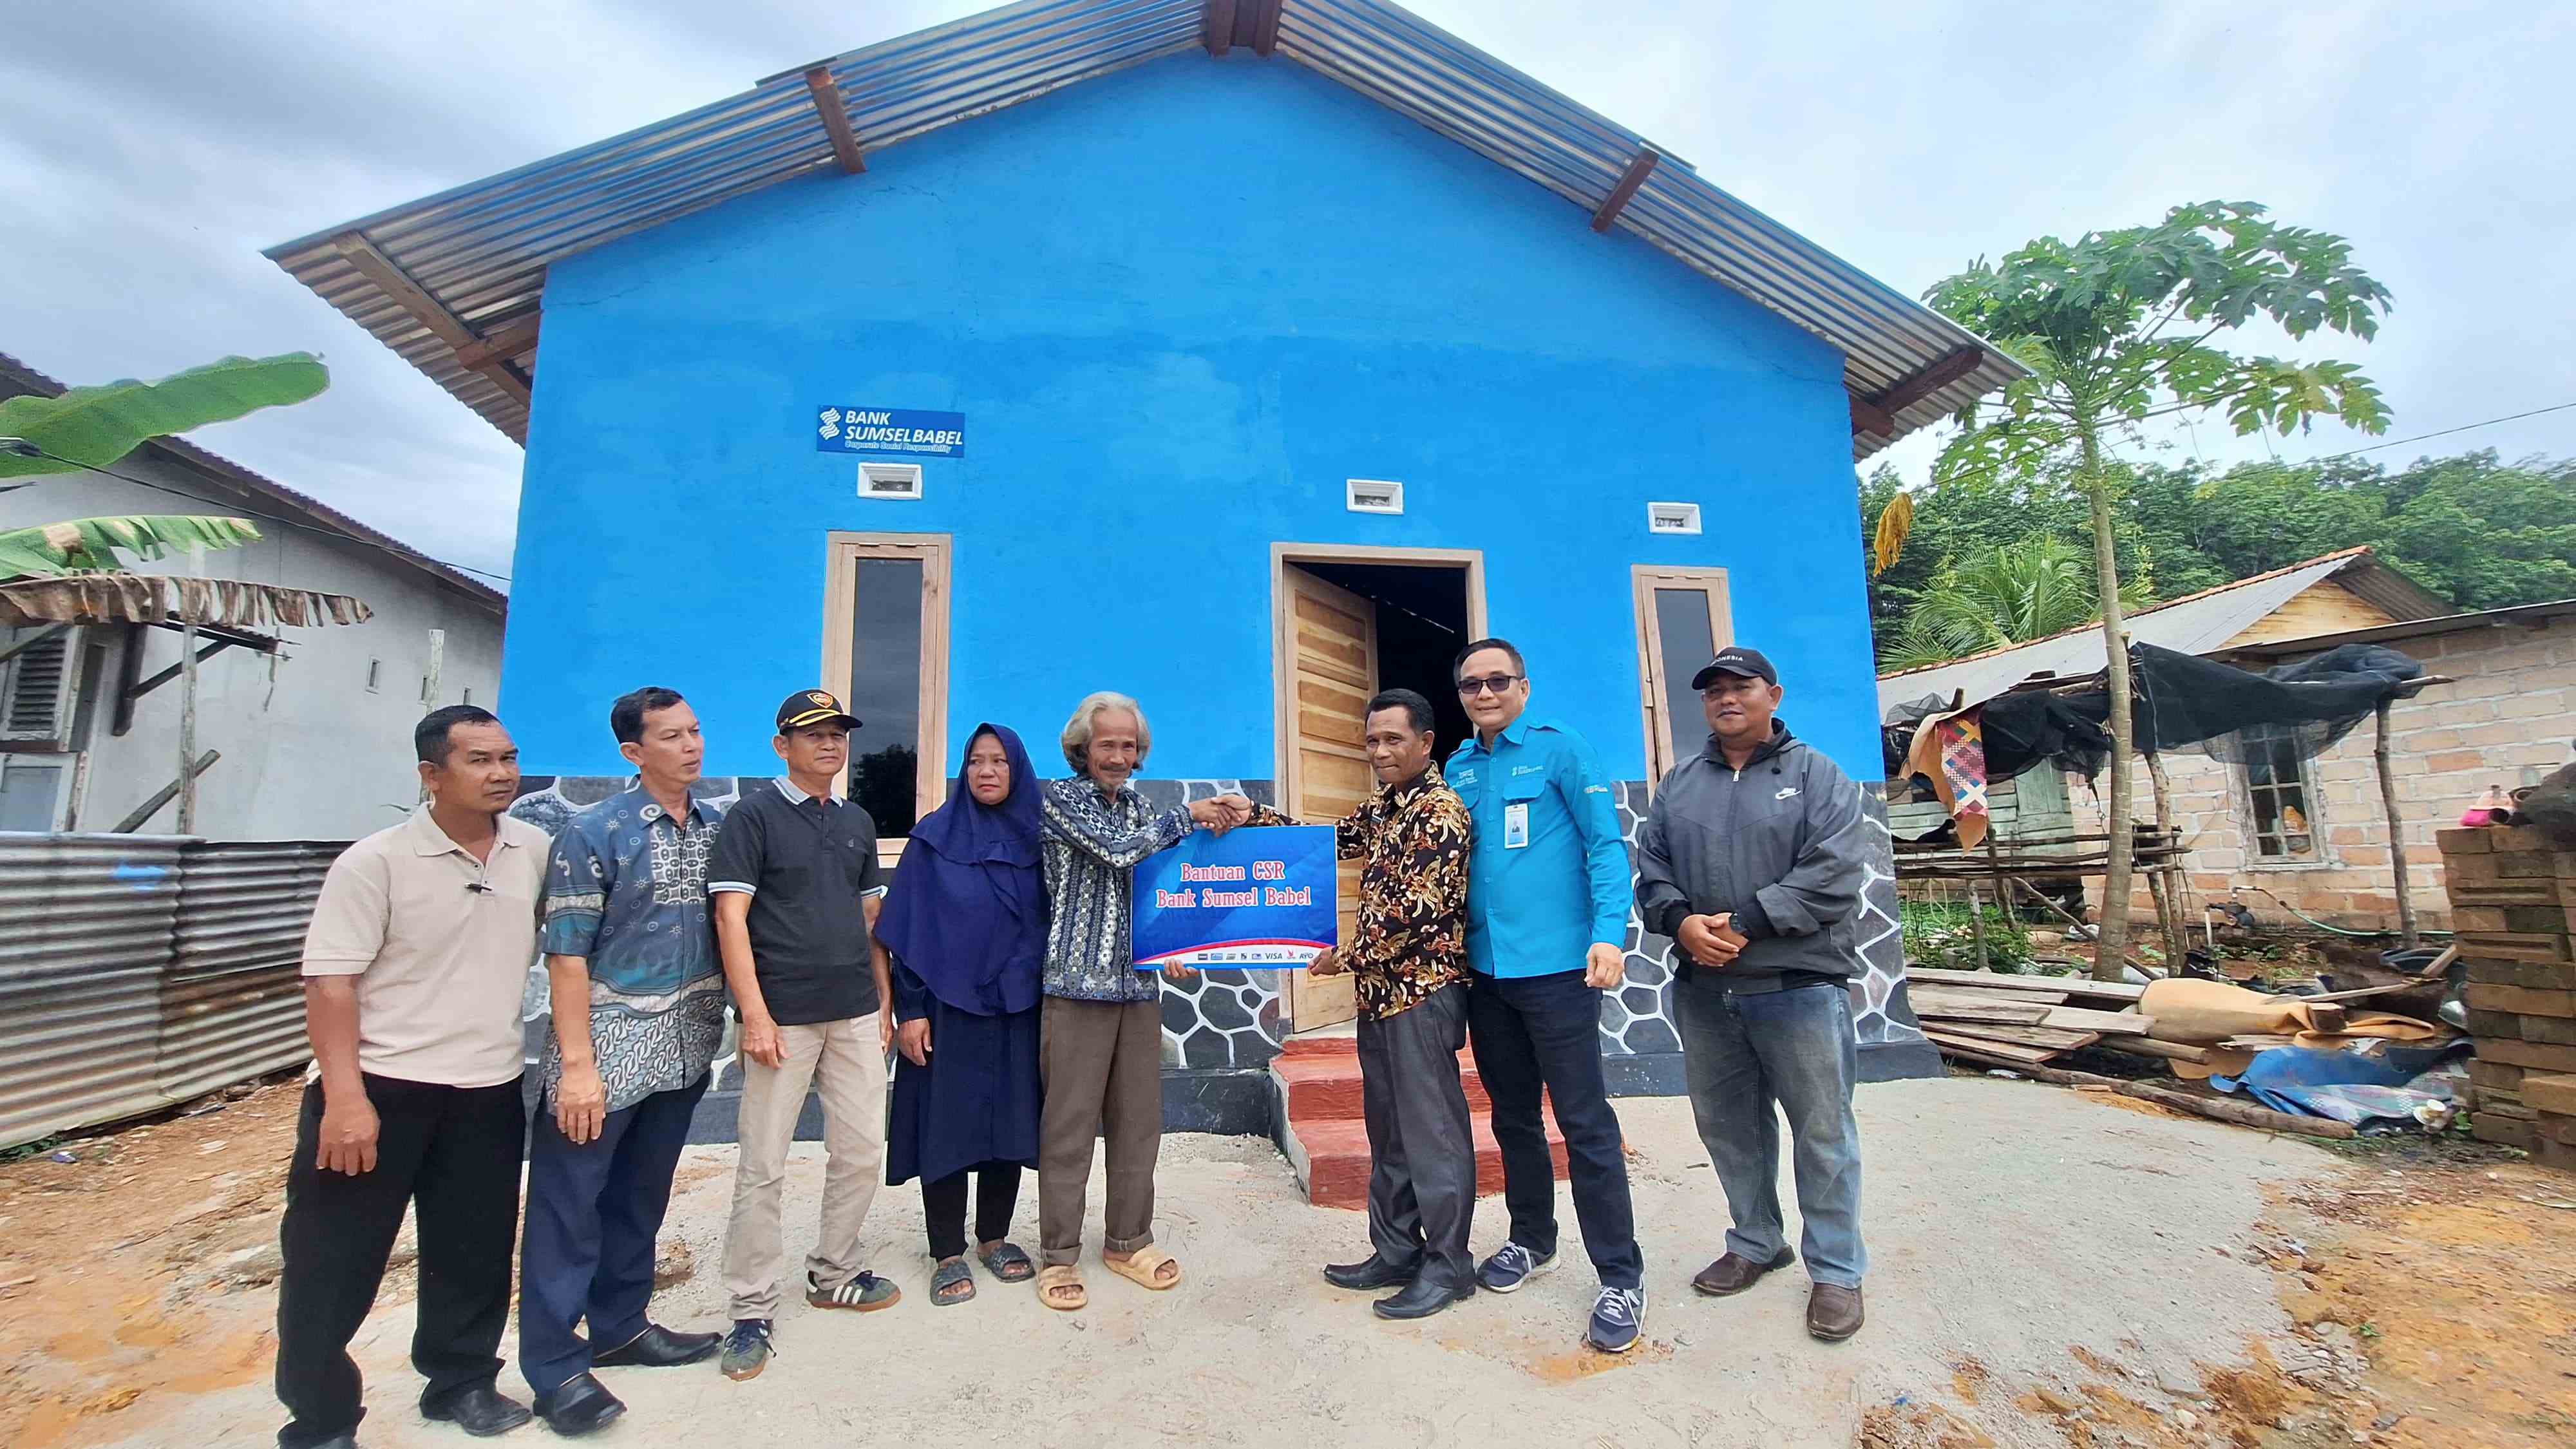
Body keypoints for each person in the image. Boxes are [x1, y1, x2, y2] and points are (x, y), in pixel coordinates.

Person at [274, 706, 550, 1449]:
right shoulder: (376, 862)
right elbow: (331, 984)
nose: (501, 774)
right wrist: (344, 1100)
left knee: (475, 1250)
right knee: (331, 1262)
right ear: (432, 775)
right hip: (381, 1088)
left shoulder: (535, 850)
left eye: (509, 758)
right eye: (480, 761)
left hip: (487, 1089)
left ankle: (460, 1381)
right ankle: (321, 1418)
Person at [1634, 646, 1871, 1343]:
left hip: (1797, 986)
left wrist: (1741, 924)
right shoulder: (1679, 785)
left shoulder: (1816, 775)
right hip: (1706, 992)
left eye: (1740, 687)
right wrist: (1679, 921)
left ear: (1773, 695)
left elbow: (1833, 872)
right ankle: (1756, 1242)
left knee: (1822, 1133)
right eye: (1713, 691)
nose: (1725, 699)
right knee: (1729, 1130)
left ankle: (1835, 1271)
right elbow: (1651, 872)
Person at [520, 687, 729, 1434]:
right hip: (604, 1052)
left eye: (696, 731)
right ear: (633, 754)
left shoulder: (716, 829)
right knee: (567, 1208)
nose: (692, 746)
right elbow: (566, 956)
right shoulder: (592, 832)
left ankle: (622, 1326)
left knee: (640, 1196)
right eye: (672, 737)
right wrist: (576, 1067)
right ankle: (553, 1367)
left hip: (684, 1045)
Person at [1444, 638, 1647, 1354]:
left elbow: (1603, 845)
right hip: (1488, 973)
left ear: (1523, 688)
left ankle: (1621, 1276)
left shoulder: (1563, 751)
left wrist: (1607, 933)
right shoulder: (1458, 768)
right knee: (1512, 1119)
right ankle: (1532, 1239)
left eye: (1498, 681)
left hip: (1560, 970)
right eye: (1471, 685)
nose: (1485, 693)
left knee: (1585, 1124)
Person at [706, 690, 902, 1382]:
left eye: (838, 733)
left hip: (852, 1012)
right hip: (781, 1017)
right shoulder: (752, 817)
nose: (829, 744)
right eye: (812, 734)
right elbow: (732, 920)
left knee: (858, 1151)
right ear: (781, 746)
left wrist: (883, 1003)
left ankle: (834, 1271)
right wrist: (752, 1013)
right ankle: (751, 1307)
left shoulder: (854, 820)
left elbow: (872, 919)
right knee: (763, 1164)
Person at [1031, 691, 1244, 1311]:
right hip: (1076, 988)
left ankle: (1127, 1241)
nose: (1119, 756)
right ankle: (1059, 1255)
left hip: (1139, 988)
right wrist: (1191, 813)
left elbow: (1162, 891)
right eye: (1108, 745)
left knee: (1138, 1125)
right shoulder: (1059, 799)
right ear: (1083, 748)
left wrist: (1177, 944)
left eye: (1129, 746)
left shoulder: (1142, 807)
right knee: (1069, 1127)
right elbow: (1118, 852)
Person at [1298, 690, 1479, 1320]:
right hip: (1380, 996)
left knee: (1432, 1135)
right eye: (1371, 740)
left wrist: (1341, 957)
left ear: (1425, 742)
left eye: (1392, 740)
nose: (1378, 751)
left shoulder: (1440, 813)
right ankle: (1397, 1250)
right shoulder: (1387, 808)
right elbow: (1326, 843)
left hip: (1422, 994)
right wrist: (1251, 818)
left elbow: (1414, 915)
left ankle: (1449, 1265)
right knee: (1390, 1129)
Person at [879, 723, 1048, 1309]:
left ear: (1018, 768)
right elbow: (909, 932)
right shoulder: (933, 839)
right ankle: (947, 1251)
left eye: (999, 761)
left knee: (1010, 1123)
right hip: (947, 1008)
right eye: (976, 761)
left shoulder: (1042, 839)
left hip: (1021, 1006)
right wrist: (912, 1010)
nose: (987, 772)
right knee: (945, 1127)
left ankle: (995, 1237)